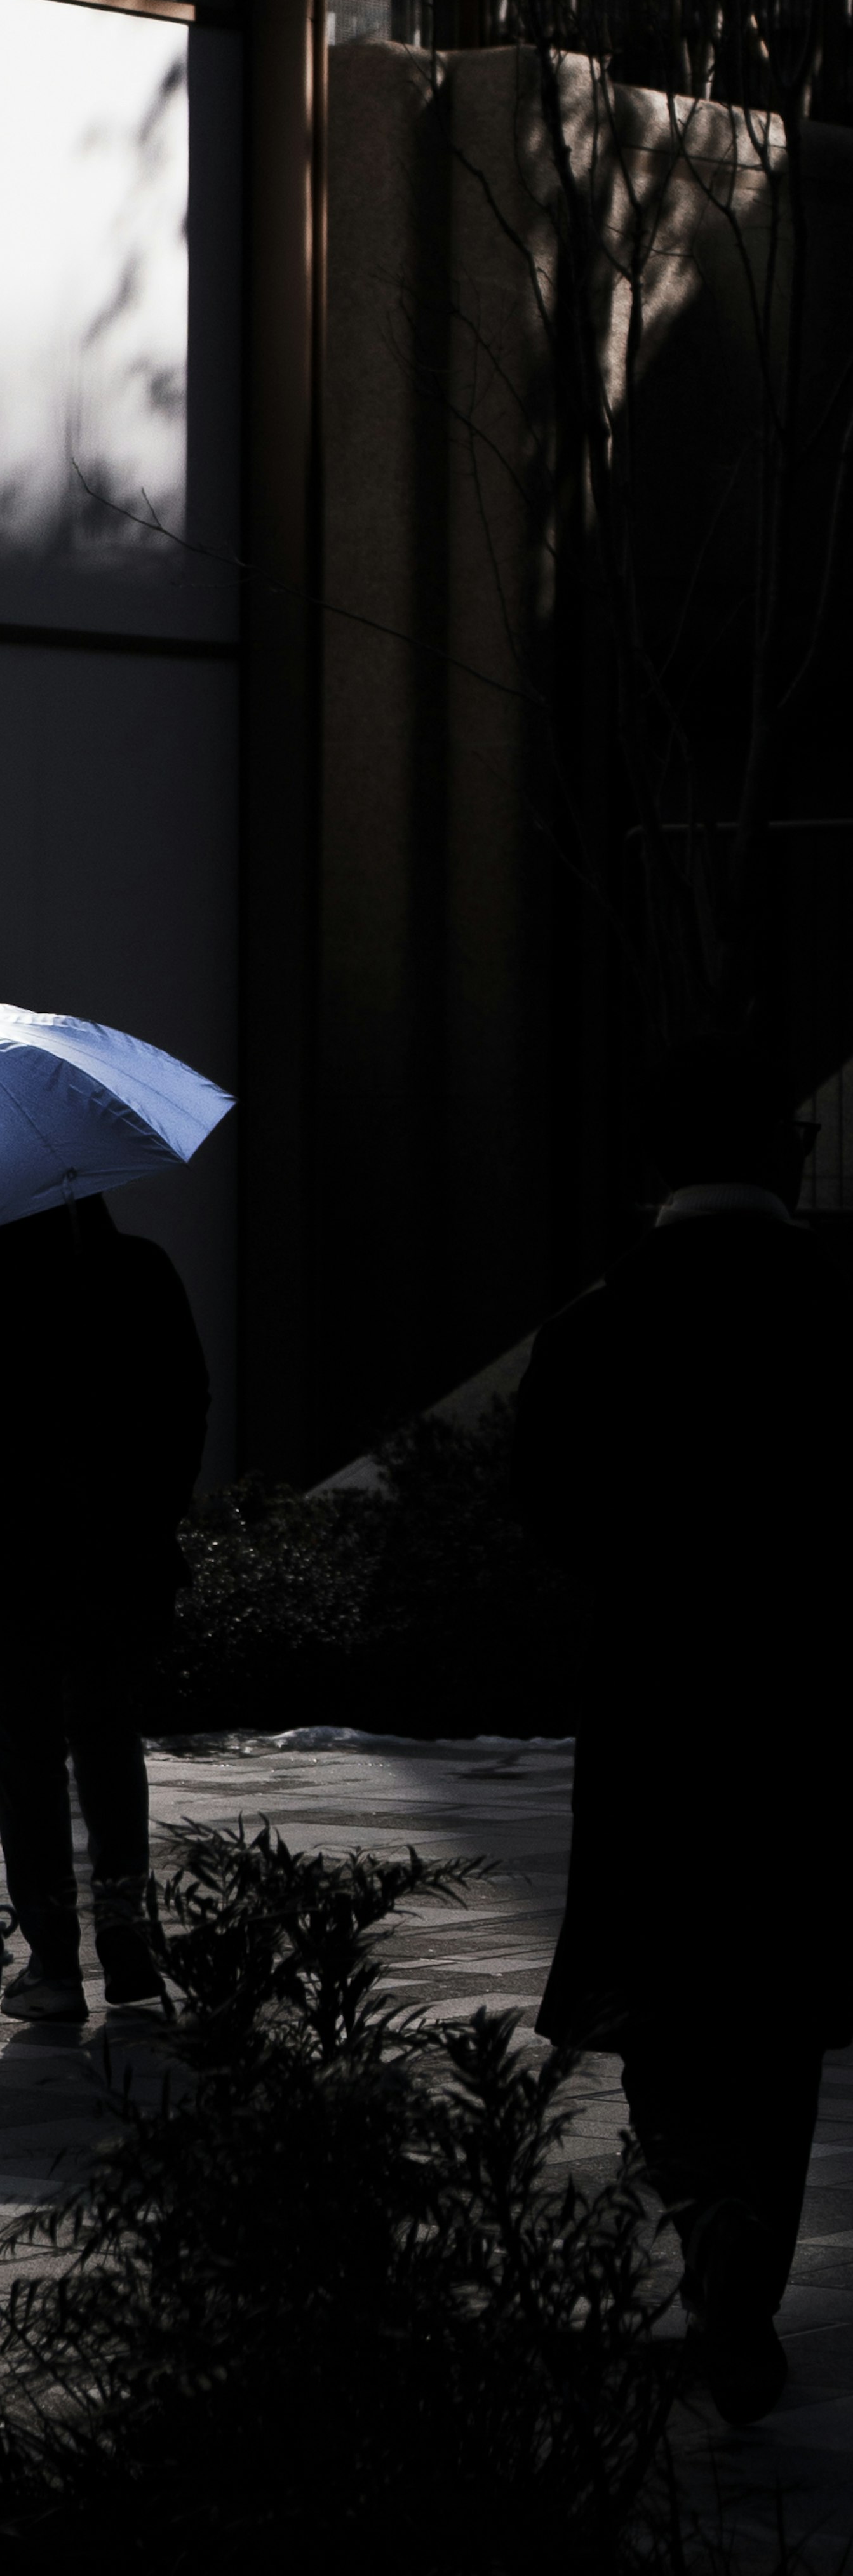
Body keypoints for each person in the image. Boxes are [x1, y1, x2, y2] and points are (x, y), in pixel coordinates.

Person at [512, 1038, 852, 2428]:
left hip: (656, 1699)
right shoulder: (837, 1314)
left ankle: (704, 2208)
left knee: (660, 1994)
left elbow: (551, 1513)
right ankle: (743, 2282)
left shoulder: (598, 1327)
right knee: (775, 2005)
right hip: (807, 1703)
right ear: (779, 1153)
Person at [0, 1192, 210, 2021]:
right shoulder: (138, 1270)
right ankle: (127, 1941)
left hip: (9, 1563)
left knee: (28, 1763)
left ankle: (55, 1960)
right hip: (123, 1555)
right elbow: (188, 1401)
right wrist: (155, 1506)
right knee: (111, 1742)